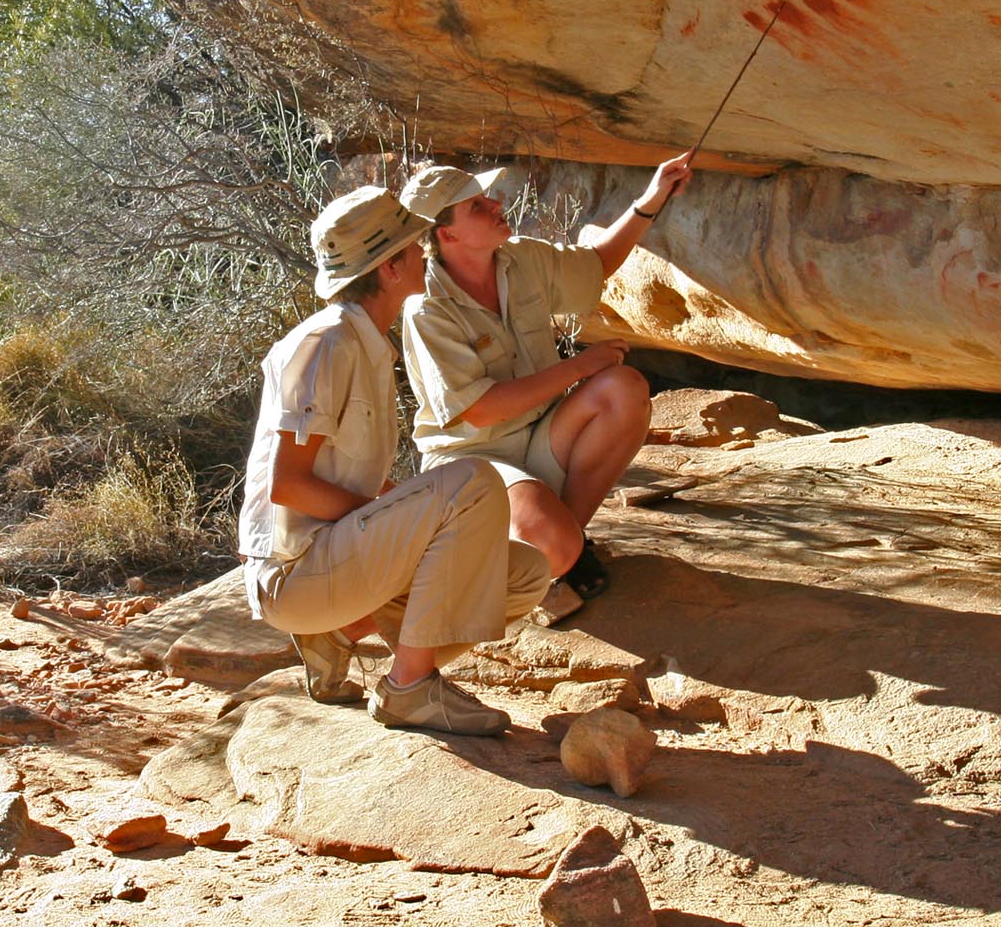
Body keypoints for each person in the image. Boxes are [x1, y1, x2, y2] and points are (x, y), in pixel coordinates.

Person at [238, 186, 553, 736]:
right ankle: (409, 688)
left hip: (339, 560)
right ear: (390, 268)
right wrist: (396, 513)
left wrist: (402, 514)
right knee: (471, 480)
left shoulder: (365, 342)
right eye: (415, 246)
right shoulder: (326, 343)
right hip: (296, 574)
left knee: (525, 575)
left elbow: (347, 469)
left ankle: (338, 635)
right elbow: (287, 486)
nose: (425, 253)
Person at [399, 153, 693, 613]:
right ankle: (536, 560)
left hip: (542, 433)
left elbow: (596, 266)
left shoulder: (519, 259)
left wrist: (651, 200)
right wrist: (580, 366)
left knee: (623, 389)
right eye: (477, 206)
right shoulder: (426, 308)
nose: (496, 204)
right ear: (447, 234)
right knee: (548, 543)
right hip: (472, 460)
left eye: (486, 197)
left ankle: (564, 555)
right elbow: (481, 410)